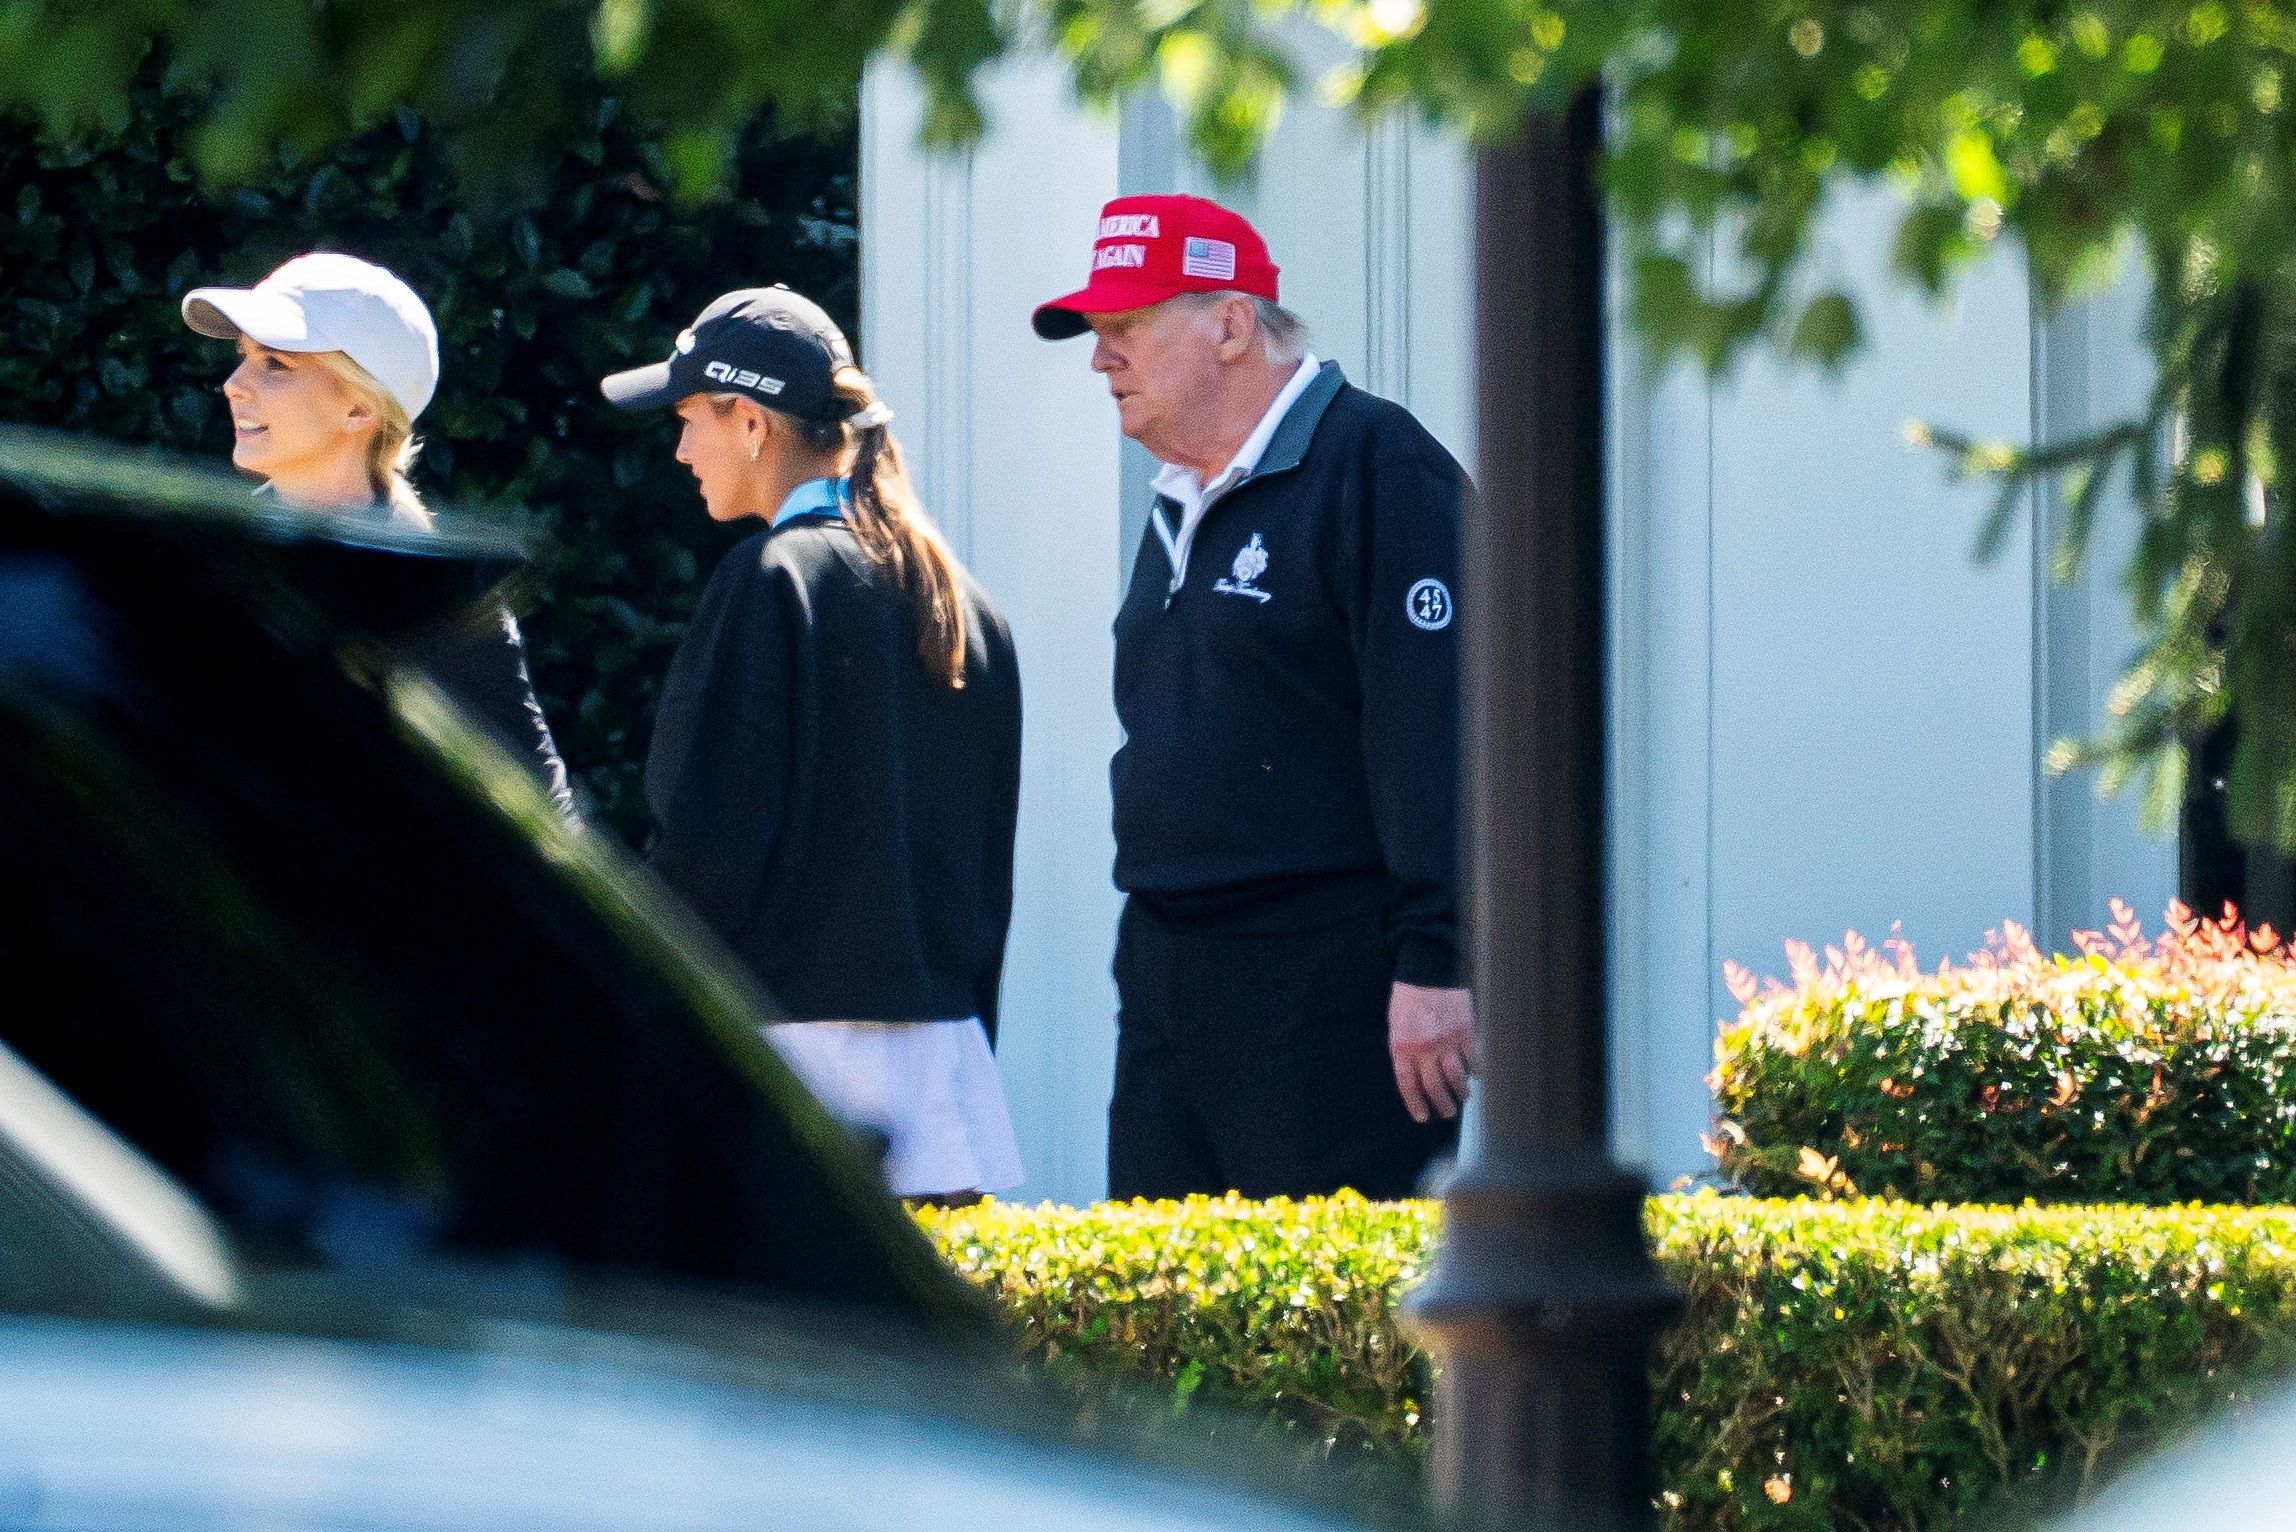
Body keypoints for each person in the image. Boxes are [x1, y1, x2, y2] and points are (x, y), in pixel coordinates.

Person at [1033, 194, 1475, 1201]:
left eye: (1127, 327)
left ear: (1231, 324)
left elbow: (1443, 733)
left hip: (1324, 984)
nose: (1101, 358)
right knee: (1156, 1311)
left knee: (1321, 1327)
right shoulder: (1175, 502)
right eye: (1096, 333)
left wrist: (1438, 962)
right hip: (1165, 969)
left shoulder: (1379, 468)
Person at [602, 286, 1024, 1203]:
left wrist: (618, 988)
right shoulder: (965, 605)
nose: (678, 450)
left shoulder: (767, 582)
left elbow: (708, 851)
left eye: (687, 419)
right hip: (950, 1096)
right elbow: (986, 881)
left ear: (750, 422)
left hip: (783, 1097)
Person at [180, 252, 575, 814]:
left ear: (359, 410)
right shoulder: (213, 552)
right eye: (243, 358)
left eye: (275, 366)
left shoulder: (441, 596)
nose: (233, 385)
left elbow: (543, 815)